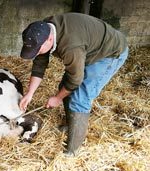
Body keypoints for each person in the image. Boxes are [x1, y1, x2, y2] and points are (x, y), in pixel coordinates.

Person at [19, 13, 128, 155]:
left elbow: (76, 79)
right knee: (64, 87)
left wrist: (58, 98)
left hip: (110, 53)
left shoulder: (70, 46)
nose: (36, 52)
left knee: (79, 98)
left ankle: (73, 151)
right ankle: (72, 126)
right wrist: (30, 93)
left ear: (50, 39)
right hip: (88, 49)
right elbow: (39, 64)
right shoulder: (43, 29)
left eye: (37, 49)